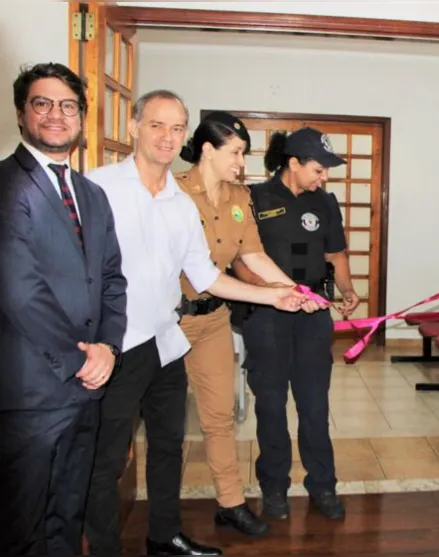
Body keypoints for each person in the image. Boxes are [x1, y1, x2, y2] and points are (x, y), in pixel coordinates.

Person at [83, 90, 309, 556]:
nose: (167, 137)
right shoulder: (99, 188)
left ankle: (168, 533)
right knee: (108, 456)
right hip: (120, 341)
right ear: (134, 127)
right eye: (156, 125)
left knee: (175, 439)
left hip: (172, 336)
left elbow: (218, 271)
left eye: (176, 127)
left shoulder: (192, 202)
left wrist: (282, 294)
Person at [174, 111, 328, 537]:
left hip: (214, 320)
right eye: (236, 153)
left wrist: (298, 291)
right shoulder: (174, 194)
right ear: (207, 149)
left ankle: (230, 503)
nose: (243, 162)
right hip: (169, 322)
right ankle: (164, 517)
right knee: (165, 425)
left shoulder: (240, 198)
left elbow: (253, 256)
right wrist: (274, 295)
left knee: (220, 417)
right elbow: (206, 274)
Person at [0, 62, 127, 556]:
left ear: (81, 117)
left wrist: (110, 349)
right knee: (22, 525)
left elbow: (113, 280)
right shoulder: (7, 186)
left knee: (66, 517)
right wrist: (81, 359)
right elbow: (19, 289)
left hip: (87, 389)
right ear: (21, 114)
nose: (57, 114)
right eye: (43, 103)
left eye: (68, 105)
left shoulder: (92, 195)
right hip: (31, 390)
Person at [231, 127, 359, 520]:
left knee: (315, 405)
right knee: (270, 405)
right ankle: (274, 487)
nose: (324, 178)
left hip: (314, 315)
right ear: (293, 163)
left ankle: (323, 485)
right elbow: (238, 261)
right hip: (267, 316)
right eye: (319, 169)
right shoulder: (253, 198)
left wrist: (347, 290)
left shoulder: (325, 203)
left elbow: (336, 254)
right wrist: (272, 291)